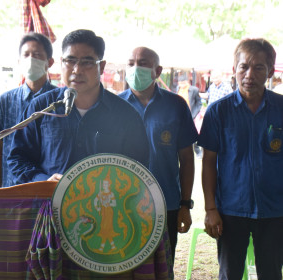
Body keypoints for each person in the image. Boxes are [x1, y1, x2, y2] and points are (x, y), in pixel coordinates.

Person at [7, 29, 149, 184]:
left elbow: (138, 168)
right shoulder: (42, 108)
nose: (77, 70)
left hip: (105, 205)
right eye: (70, 61)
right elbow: (18, 159)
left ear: (101, 67)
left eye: (87, 62)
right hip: (49, 203)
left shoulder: (125, 115)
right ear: (62, 63)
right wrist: (43, 180)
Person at [198, 38, 283, 280]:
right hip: (231, 210)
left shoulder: (281, 108)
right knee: (229, 274)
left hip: (275, 210)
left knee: (272, 274)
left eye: (258, 67)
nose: (249, 74)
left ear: (270, 71)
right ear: (234, 68)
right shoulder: (218, 112)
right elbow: (208, 163)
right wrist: (211, 208)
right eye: (243, 67)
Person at [118, 47, 198, 265]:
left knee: (163, 265)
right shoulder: (114, 105)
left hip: (167, 202)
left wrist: (185, 204)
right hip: (122, 203)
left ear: (157, 70)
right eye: (131, 63)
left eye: (143, 63)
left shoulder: (176, 105)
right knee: (125, 265)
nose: (135, 68)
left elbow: (187, 159)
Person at [0, 32, 56, 188]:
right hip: (11, 186)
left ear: (50, 62)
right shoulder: (5, 101)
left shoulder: (59, 101)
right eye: (26, 55)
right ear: (19, 61)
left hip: (47, 185)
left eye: (37, 55)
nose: (31, 60)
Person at [176, 74, 203, 157]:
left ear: (187, 82)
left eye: (183, 83)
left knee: (194, 133)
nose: (182, 85)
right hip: (180, 115)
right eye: (180, 83)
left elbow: (199, 103)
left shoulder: (194, 90)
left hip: (192, 115)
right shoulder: (178, 89)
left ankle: (197, 151)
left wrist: (194, 114)